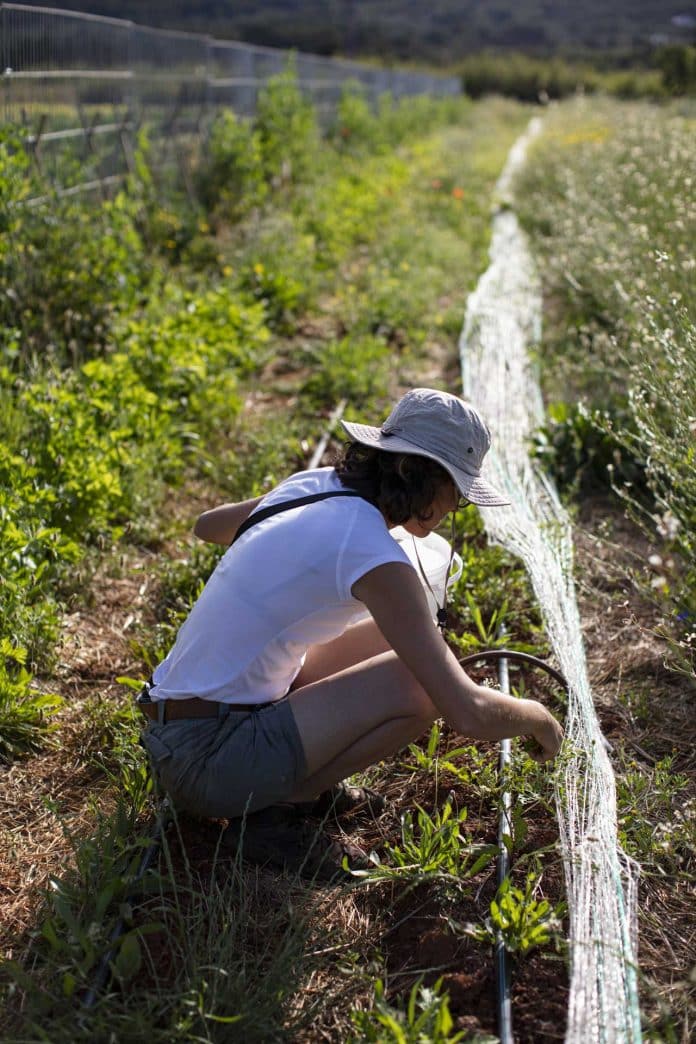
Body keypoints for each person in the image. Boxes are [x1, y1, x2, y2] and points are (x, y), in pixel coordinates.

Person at [139, 387, 564, 878]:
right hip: (207, 762)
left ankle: (284, 773)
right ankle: (283, 808)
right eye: (456, 492)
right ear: (413, 473)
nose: (455, 506)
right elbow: (465, 710)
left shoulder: (312, 485)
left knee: (395, 636)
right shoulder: (372, 555)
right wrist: (539, 719)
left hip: (174, 725)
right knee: (419, 685)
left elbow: (208, 525)